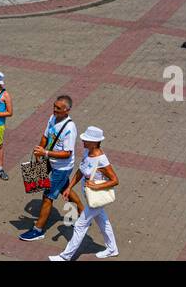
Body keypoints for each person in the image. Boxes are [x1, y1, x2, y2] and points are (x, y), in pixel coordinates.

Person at [49, 126, 119, 261]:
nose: (83, 142)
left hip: (96, 197)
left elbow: (115, 180)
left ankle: (65, 257)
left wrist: (96, 186)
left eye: (86, 140)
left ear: (95, 142)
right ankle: (112, 249)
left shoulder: (102, 160)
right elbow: (81, 171)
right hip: (90, 196)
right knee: (103, 221)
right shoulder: (88, 152)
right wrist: (69, 188)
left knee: (80, 225)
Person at [18, 95, 81, 241]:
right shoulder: (52, 118)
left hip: (62, 167)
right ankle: (84, 215)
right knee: (65, 188)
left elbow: (67, 153)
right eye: (54, 106)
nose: (54, 110)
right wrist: (40, 150)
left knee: (48, 197)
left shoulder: (70, 128)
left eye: (58, 108)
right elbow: (45, 136)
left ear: (67, 110)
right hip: (50, 161)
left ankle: (38, 230)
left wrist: (45, 152)